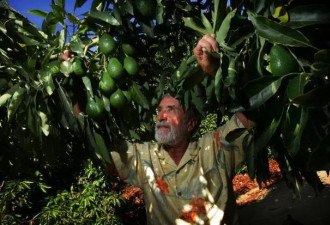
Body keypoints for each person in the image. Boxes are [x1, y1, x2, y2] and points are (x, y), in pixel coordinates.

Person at [108, 34, 253, 225]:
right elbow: (102, 150)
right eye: (159, 110)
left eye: (171, 109)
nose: (161, 116)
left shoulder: (215, 147)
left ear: (191, 124)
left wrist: (219, 71)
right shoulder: (145, 158)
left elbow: (251, 115)